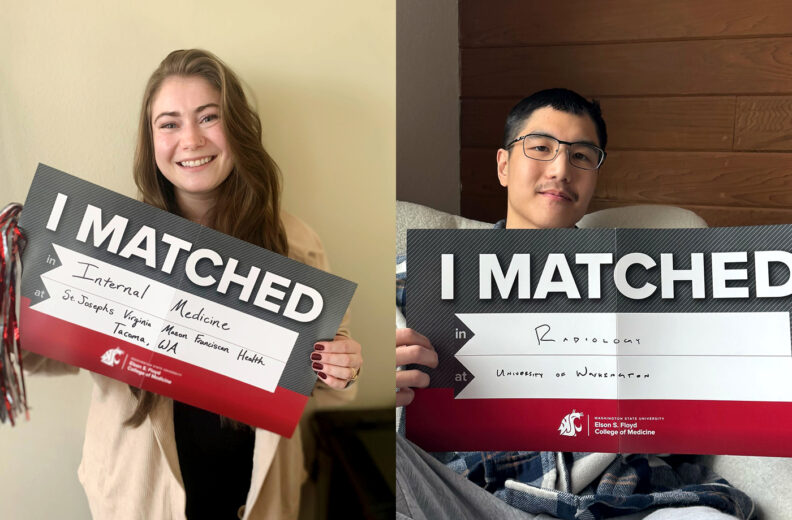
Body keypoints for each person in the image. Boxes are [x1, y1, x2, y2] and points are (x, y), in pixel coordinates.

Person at [23, 48, 362, 520]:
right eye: (169, 123)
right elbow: (39, 352)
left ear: (239, 128)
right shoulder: (104, 240)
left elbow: (330, 383)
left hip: (256, 500)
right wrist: (12, 306)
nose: (191, 139)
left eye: (209, 117)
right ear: (151, 139)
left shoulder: (296, 243)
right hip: (139, 496)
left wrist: (340, 364)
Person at [395, 89, 754, 520]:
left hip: (627, 503)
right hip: (475, 502)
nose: (562, 169)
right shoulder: (417, 279)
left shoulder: (653, 281)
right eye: (541, 148)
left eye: (582, 156)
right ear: (504, 165)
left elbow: (713, 411)